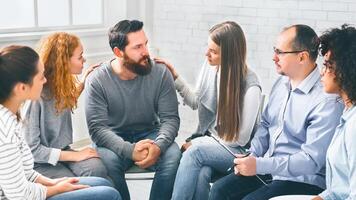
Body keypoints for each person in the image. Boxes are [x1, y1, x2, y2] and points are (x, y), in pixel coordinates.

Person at [209, 24, 344, 200]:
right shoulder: (281, 85)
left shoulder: (326, 100)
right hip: (271, 171)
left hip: (303, 180)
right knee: (219, 190)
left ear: (302, 57)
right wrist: (253, 155)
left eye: (280, 52)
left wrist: (259, 165)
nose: (274, 57)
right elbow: (266, 124)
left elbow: (310, 161)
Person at [155, 21, 262, 200]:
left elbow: (241, 139)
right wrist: (175, 76)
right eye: (208, 47)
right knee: (202, 172)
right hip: (212, 141)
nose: (207, 54)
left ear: (229, 55)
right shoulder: (212, 68)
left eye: (213, 51)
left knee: (194, 153)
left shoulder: (250, 87)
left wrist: (199, 144)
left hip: (238, 151)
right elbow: (197, 101)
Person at [0, 45, 121, 200]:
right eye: (40, 76)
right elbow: (19, 195)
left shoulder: (10, 116)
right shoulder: (6, 132)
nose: (45, 80)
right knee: (110, 194)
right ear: (21, 88)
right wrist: (56, 189)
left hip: (30, 189)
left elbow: (26, 173)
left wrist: (52, 182)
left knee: (102, 183)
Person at [85, 19, 181, 200]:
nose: (146, 52)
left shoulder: (160, 72)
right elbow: (97, 129)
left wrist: (159, 146)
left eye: (145, 44)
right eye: (137, 47)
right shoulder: (97, 79)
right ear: (118, 52)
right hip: (113, 137)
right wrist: (130, 150)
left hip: (150, 134)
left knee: (173, 156)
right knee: (106, 162)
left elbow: (170, 119)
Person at [24, 32, 108, 180]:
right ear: (63, 62)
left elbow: (61, 105)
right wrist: (76, 155)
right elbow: (33, 150)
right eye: (80, 56)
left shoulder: (58, 86)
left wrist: (83, 82)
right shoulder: (35, 96)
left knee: (98, 169)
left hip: (62, 151)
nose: (84, 59)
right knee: (77, 183)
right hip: (37, 162)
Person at [312, 24, 356, 200]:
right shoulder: (347, 114)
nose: (322, 73)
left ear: (346, 69)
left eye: (328, 65)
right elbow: (337, 189)